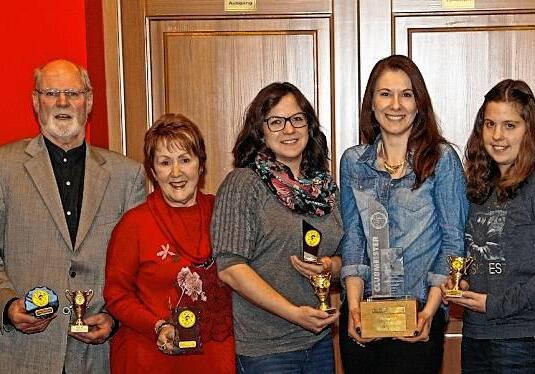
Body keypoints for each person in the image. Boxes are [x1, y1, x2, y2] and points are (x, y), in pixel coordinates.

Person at [0, 59, 145, 373]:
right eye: (51, 93)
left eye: (73, 94)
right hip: (24, 355)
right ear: (35, 101)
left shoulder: (128, 175)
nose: (62, 103)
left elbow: (139, 264)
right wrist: (7, 305)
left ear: (89, 101)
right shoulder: (3, 168)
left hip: (99, 357)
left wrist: (116, 315)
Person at [339, 54, 468, 374]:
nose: (395, 104)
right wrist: (353, 308)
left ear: (418, 104)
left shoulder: (442, 159)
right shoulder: (353, 162)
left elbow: (453, 241)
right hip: (364, 312)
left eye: (406, 94)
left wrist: (431, 312)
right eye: (385, 94)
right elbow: (353, 238)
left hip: (420, 313)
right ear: (371, 103)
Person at [443, 79, 535, 373]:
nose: (497, 136)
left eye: (509, 125)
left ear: (529, 130)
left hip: (528, 340)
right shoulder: (479, 186)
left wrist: (497, 304)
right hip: (477, 335)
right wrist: (460, 283)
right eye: (490, 124)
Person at [211, 82, 342, 373]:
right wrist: (295, 314)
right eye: (276, 122)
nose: (289, 129)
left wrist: (328, 266)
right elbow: (230, 268)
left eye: (297, 119)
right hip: (266, 350)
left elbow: (344, 258)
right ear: (260, 130)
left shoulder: (325, 188)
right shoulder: (243, 184)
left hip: (318, 342)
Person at [104, 113, 235, 373]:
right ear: (152, 171)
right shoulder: (133, 224)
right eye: (165, 162)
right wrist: (157, 325)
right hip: (151, 358)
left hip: (215, 360)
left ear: (201, 165)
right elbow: (116, 295)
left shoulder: (224, 213)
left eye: (185, 160)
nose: (176, 173)